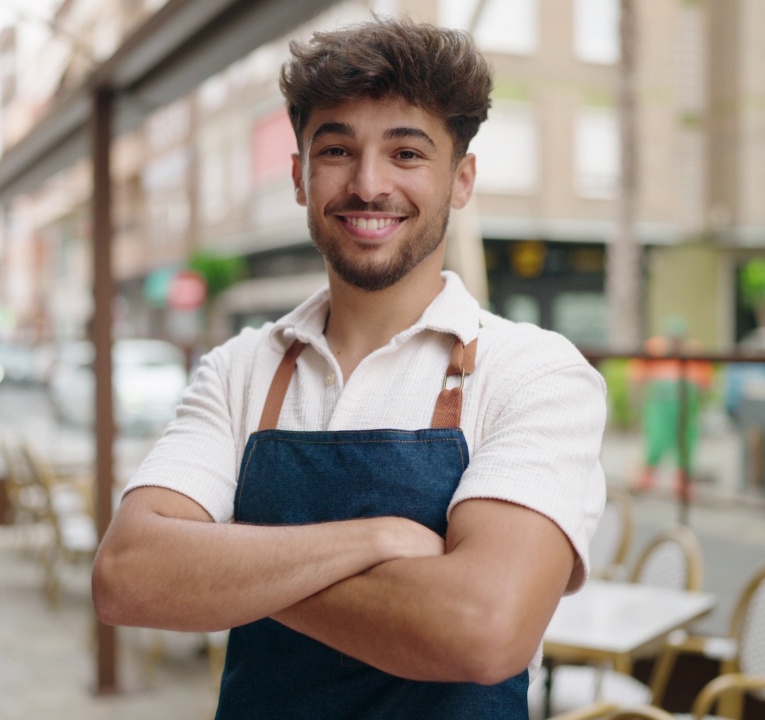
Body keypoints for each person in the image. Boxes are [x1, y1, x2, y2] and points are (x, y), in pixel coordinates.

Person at [93, 18, 606, 719]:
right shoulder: (240, 371)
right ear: (301, 176)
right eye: (337, 150)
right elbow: (128, 575)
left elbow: (485, 629)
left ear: (461, 181)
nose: (369, 185)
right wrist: (380, 539)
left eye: (406, 153)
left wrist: (228, 572)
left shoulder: (534, 374)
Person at [627, 320, 712, 501]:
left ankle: (683, 484)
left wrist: (704, 396)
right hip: (660, 405)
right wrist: (635, 392)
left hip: (686, 406)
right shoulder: (656, 350)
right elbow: (637, 372)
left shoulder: (692, 352)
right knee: (656, 442)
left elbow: (705, 379)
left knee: (685, 444)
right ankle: (645, 479)